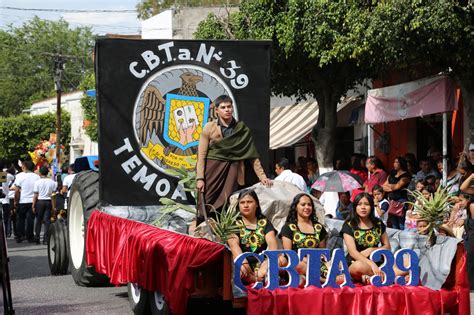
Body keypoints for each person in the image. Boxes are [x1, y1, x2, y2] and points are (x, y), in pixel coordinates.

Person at [196, 95, 271, 221]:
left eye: (229, 107)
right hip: (212, 173)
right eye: (223, 107)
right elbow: (201, 155)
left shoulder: (241, 129)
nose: (227, 110)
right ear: (217, 110)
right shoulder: (209, 127)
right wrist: (200, 178)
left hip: (233, 173)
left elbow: (252, 156)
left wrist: (262, 176)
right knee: (207, 204)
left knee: (229, 204)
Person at [341, 192, 406, 283]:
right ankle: (387, 277)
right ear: (355, 207)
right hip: (358, 262)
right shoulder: (349, 225)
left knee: (407, 261)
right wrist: (371, 264)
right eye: (359, 204)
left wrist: (371, 250)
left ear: (371, 207)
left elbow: (387, 247)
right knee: (358, 266)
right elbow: (352, 252)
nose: (363, 207)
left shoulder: (378, 223)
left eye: (366, 204)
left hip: (378, 261)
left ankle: (376, 277)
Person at [227, 189, 280, 283]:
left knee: (281, 259)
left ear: (257, 204)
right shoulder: (233, 224)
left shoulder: (264, 223)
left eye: (249, 202)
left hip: (262, 264)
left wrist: (265, 264)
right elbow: (234, 246)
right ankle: (260, 279)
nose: (246, 205)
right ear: (238, 206)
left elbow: (273, 246)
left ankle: (260, 277)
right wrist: (245, 265)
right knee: (239, 270)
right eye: (242, 202)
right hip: (243, 263)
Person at [280, 193, 328, 281]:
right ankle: (323, 280)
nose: (307, 207)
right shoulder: (289, 227)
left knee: (334, 264)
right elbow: (288, 254)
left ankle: (312, 278)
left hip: (316, 263)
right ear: (296, 207)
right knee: (298, 264)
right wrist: (306, 260)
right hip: (297, 264)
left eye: (309, 205)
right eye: (303, 204)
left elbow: (323, 252)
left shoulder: (319, 227)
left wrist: (315, 260)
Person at [12, 160, 40, 243]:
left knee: (20, 219)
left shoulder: (20, 176)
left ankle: (20, 236)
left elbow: (17, 190)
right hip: (32, 201)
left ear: (25, 167)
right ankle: (30, 237)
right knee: (30, 220)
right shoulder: (37, 177)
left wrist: (15, 200)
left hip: (22, 200)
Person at [383, 157, 411, 230]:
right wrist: (393, 187)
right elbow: (383, 186)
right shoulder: (392, 173)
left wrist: (390, 186)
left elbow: (397, 187)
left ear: (401, 163)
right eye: (394, 162)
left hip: (400, 200)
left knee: (401, 224)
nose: (394, 164)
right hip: (392, 201)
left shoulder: (406, 175)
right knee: (394, 224)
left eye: (396, 162)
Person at [32, 166, 57, 244]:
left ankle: (37, 238)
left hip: (40, 202)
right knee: (47, 221)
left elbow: (35, 195)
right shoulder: (52, 182)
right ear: (47, 173)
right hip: (48, 202)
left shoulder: (37, 182)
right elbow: (53, 195)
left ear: (40, 173)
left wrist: (33, 205)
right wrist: (54, 206)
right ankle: (46, 239)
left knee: (38, 220)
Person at [1, 166, 16, 237]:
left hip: (3, 199)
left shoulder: (3, 175)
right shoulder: (5, 175)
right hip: (5, 200)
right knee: (6, 218)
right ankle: (6, 232)